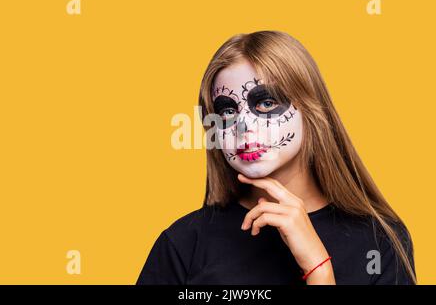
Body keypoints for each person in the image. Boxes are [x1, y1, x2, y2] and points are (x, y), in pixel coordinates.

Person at [136, 30, 416, 285]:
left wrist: (319, 271)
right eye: (227, 112)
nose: (242, 127)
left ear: (311, 110)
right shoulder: (183, 244)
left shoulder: (380, 242)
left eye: (266, 103)